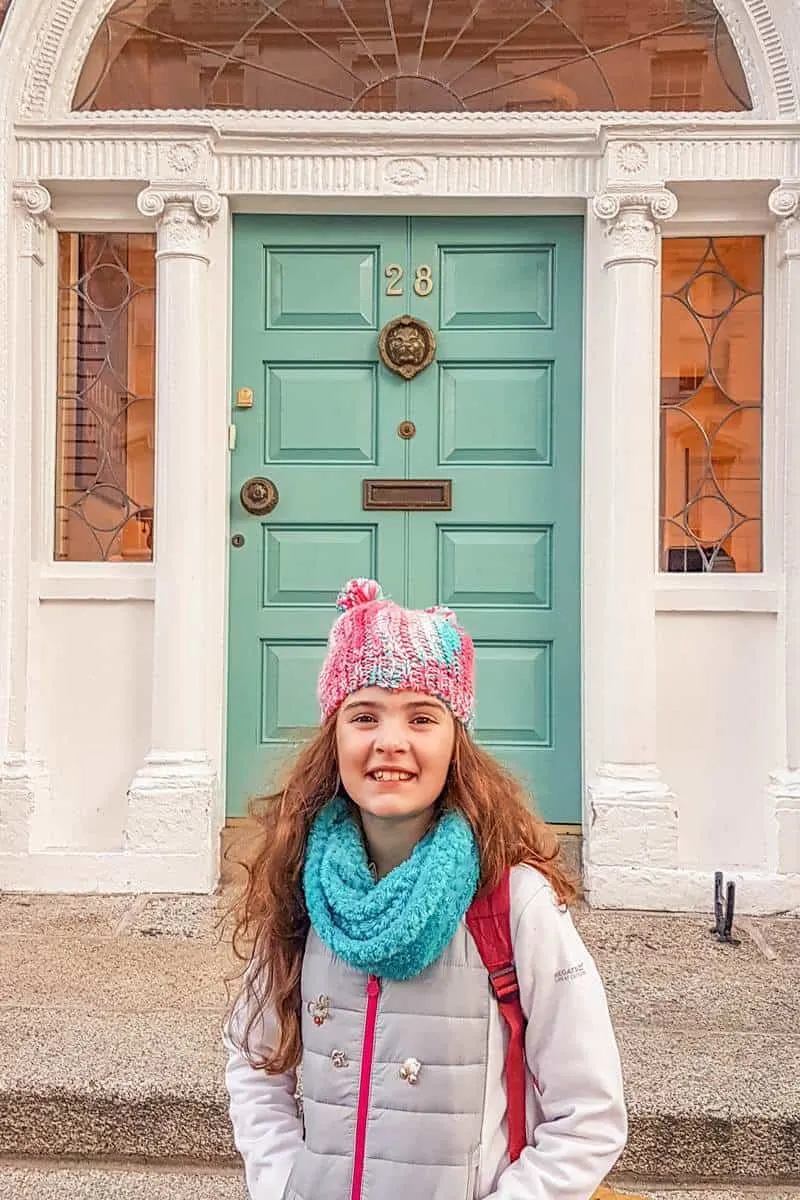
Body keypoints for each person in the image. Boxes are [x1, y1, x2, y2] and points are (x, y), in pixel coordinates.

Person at [224, 578, 627, 1200]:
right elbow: (256, 1064)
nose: (391, 741)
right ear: (334, 738)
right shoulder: (302, 886)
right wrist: (283, 1184)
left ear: (454, 742)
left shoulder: (513, 901)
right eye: (364, 716)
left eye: (421, 717)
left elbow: (589, 1115)